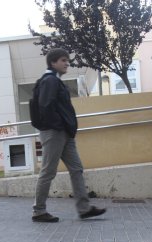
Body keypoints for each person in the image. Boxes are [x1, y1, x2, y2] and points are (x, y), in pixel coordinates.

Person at [32, 48, 106, 223]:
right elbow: (45, 106)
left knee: (76, 169)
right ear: (53, 63)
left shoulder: (55, 81)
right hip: (55, 132)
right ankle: (39, 211)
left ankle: (84, 208)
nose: (67, 63)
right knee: (48, 171)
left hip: (64, 133)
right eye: (63, 60)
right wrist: (59, 126)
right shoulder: (49, 81)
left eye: (67, 60)